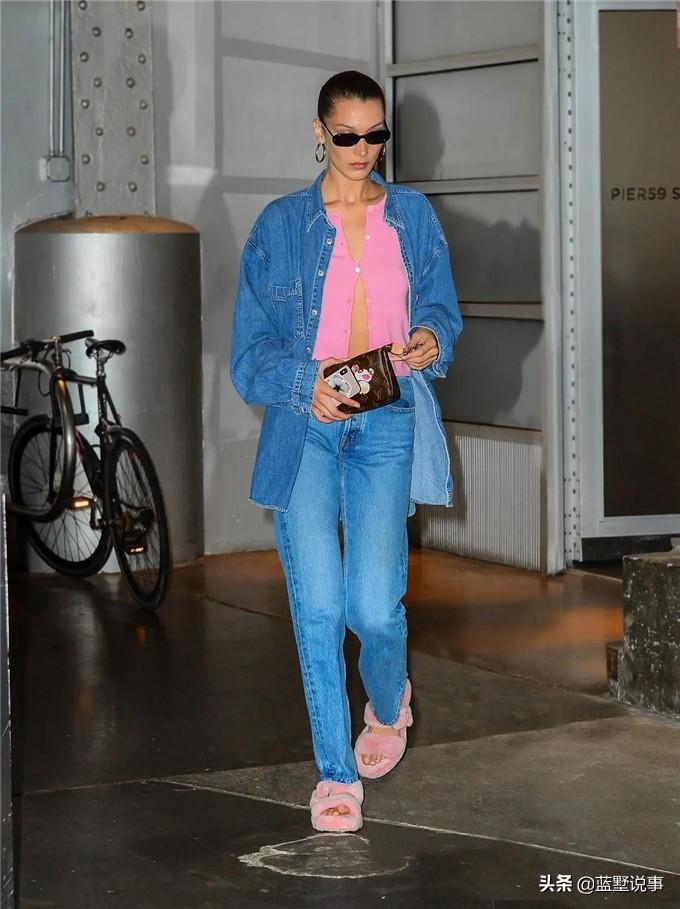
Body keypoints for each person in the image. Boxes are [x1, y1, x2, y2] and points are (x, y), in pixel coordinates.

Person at [230, 70, 462, 832]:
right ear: (319, 132)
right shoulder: (280, 227)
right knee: (321, 604)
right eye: (347, 135)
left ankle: (388, 700)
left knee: (374, 605)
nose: (363, 149)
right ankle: (335, 771)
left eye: (376, 135)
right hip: (309, 425)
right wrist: (306, 383)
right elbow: (247, 358)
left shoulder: (413, 216)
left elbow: (442, 309)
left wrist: (430, 336)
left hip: (386, 418)